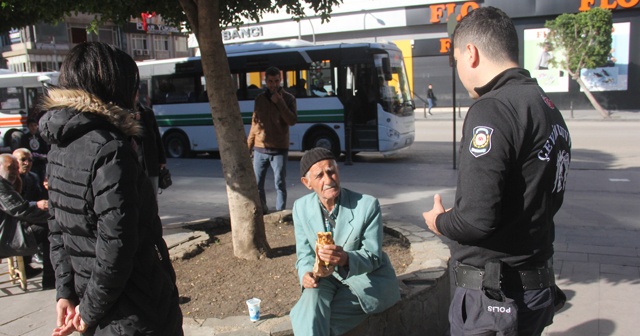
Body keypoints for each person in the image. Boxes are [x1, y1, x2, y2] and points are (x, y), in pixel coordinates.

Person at [422, 7, 571, 336]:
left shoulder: (492, 108)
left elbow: (475, 220)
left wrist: (439, 221)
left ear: (471, 54)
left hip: (494, 301)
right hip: (534, 288)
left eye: (456, 60)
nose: (459, 70)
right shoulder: (546, 106)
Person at [38, 42, 183, 336]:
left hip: (95, 304)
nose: (136, 96)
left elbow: (57, 231)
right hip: (135, 309)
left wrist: (67, 293)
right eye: (133, 86)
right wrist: (87, 308)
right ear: (114, 87)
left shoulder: (59, 146)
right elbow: (117, 246)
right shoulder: (110, 148)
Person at [290, 147, 400, 335]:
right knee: (311, 297)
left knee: (313, 322)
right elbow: (304, 255)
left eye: (331, 171)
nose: (329, 179)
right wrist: (306, 274)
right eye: (320, 176)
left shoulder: (367, 205)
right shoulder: (300, 208)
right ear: (307, 183)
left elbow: (373, 257)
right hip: (325, 279)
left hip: (364, 279)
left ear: (337, 170)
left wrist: (345, 258)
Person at [247, 66, 297, 213]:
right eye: (270, 81)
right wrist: (248, 145)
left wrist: (279, 102)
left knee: (280, 183)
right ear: (265, 81)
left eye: (276, 81)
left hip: (279, 148)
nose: (273, 84)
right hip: (260, 148)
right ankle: (263, 211)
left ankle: (280, 213)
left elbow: (292, 120)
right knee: (257, 184)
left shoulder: (289, 98)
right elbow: (255, 123)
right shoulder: (260, 99)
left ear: (280, 80)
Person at [0, 154, 53, 288]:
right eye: (10, 168)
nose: (14, 171)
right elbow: (20, 210)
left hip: (11, 228)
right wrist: (50, 213)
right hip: (5, 237)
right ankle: (50, 278)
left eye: (15, 168)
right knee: (51, 226)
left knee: (49, 223)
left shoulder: (18, 180)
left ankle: (49, 276)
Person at [13, 148, 48, 265]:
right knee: (47, 227)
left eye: (30, 160)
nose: (27, 163)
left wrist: (48, 188)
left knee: (52, 221)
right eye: (23, 160)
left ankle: (49, 273)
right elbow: (15, 207)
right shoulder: (7, 180)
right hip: (15, 225)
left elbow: (41, 198)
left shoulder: (33, 177)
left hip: (31, 217)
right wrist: (36, 205)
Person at [132, 99, 167, 195]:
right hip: (135, 164)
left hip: (151, 163)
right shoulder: (124, 114)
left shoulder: (147, 112)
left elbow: (157, 137)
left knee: (152, 196)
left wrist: (162, 159)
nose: (135, 95)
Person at [19, 117, 49, 184]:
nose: (33, 127)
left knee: (43, 179)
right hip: (32, 163)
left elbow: (46, 149)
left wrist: (43, 156)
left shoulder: (41, 137)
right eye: (31, 125)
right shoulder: (24, 138)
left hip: (41, 163)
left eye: (35, 125)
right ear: (28, 127)